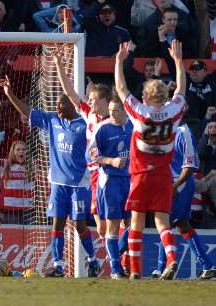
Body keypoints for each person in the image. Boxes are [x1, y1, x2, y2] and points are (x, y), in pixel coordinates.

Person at [0, 76, 100, 278]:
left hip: (79, 184)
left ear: (72, 105)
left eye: (61, 106)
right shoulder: (53, 120)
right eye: (56, 106)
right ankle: (58, 266)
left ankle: (93, 261)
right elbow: (27, 111)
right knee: (57, 224)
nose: (58, 109)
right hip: (57, 184)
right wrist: (10, 94)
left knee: (80, 225)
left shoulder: (85, 125)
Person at [114, 39, 186, 280]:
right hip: (164, 175)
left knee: (136, 222)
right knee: (162, 222)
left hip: (141, 175)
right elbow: (181, 91)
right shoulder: (174, 111)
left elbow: (122, 89)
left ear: (145, 96)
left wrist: (118, 61)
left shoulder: (140, 113)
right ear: (165, 96)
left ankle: (135, 271)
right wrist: (177, 62)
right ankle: (172, 260)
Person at [53, 47, 112, 243]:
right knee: (102, 227)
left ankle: (123, 260)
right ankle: (117, 259)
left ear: (104, 100)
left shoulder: (119, 120)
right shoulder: (90, 115)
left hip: (114, 174)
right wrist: (60, 66)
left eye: (93, 99)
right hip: (94, 174)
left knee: (119, 221)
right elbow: (70, 93)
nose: (90, 101)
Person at [150, 123, 215, 280]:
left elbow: (191, 165)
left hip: (179, 184)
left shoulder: (183, 131)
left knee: (167, 223)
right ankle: (208, 266)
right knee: (180, 224)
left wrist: (175, 186)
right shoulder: (163, 129)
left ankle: (162, 267)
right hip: (170, 183)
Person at [88, 99, 132, 279]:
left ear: (124, 111)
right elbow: (91, 155)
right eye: (110, 110)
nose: (112, 114)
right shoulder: (103, 128)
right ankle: (115, 268)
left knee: (134, 221)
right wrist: (111, 161)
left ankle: (116, 253)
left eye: (115, 111)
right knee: (112, 224)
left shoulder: (134, 126)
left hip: (131, 180)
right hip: (111, 181)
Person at [0, 140, 33, 211]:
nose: (21, 151)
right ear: (12, 152)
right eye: (18, 149)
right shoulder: (4, 164)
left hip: (28, 210)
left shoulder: (33, 165)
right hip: (8, 210)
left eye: (24, 149)